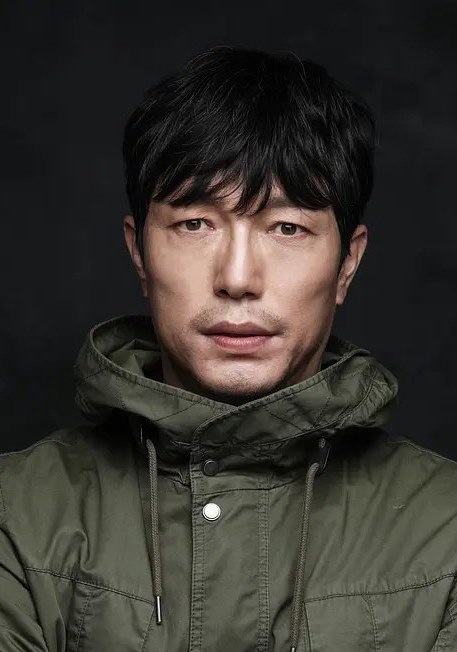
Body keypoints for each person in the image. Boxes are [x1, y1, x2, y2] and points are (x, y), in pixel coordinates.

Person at [0, 46, 456, 652]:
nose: (238, 278)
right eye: (195, 224)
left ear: (347, 263)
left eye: (287, 228)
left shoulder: (447, 529)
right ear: (139, 253)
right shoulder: (16, 516)